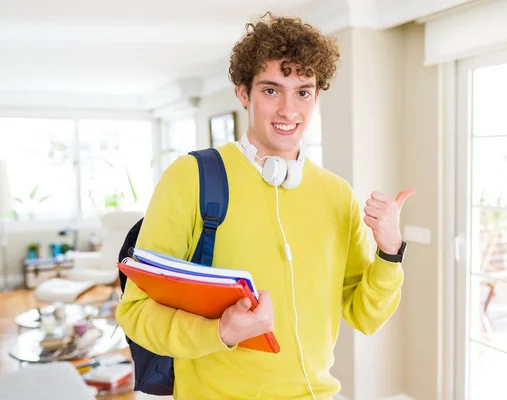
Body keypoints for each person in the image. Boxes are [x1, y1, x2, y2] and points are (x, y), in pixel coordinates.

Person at [116, 12, 415, 400]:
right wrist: (221, 332)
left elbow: (365, 314)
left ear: (316, 96)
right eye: (271, 90)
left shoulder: (337, 195)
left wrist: (389, 251)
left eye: (303, 91)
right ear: (244, 93)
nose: (289, 110)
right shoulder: (191, 177)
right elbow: (135, 312)